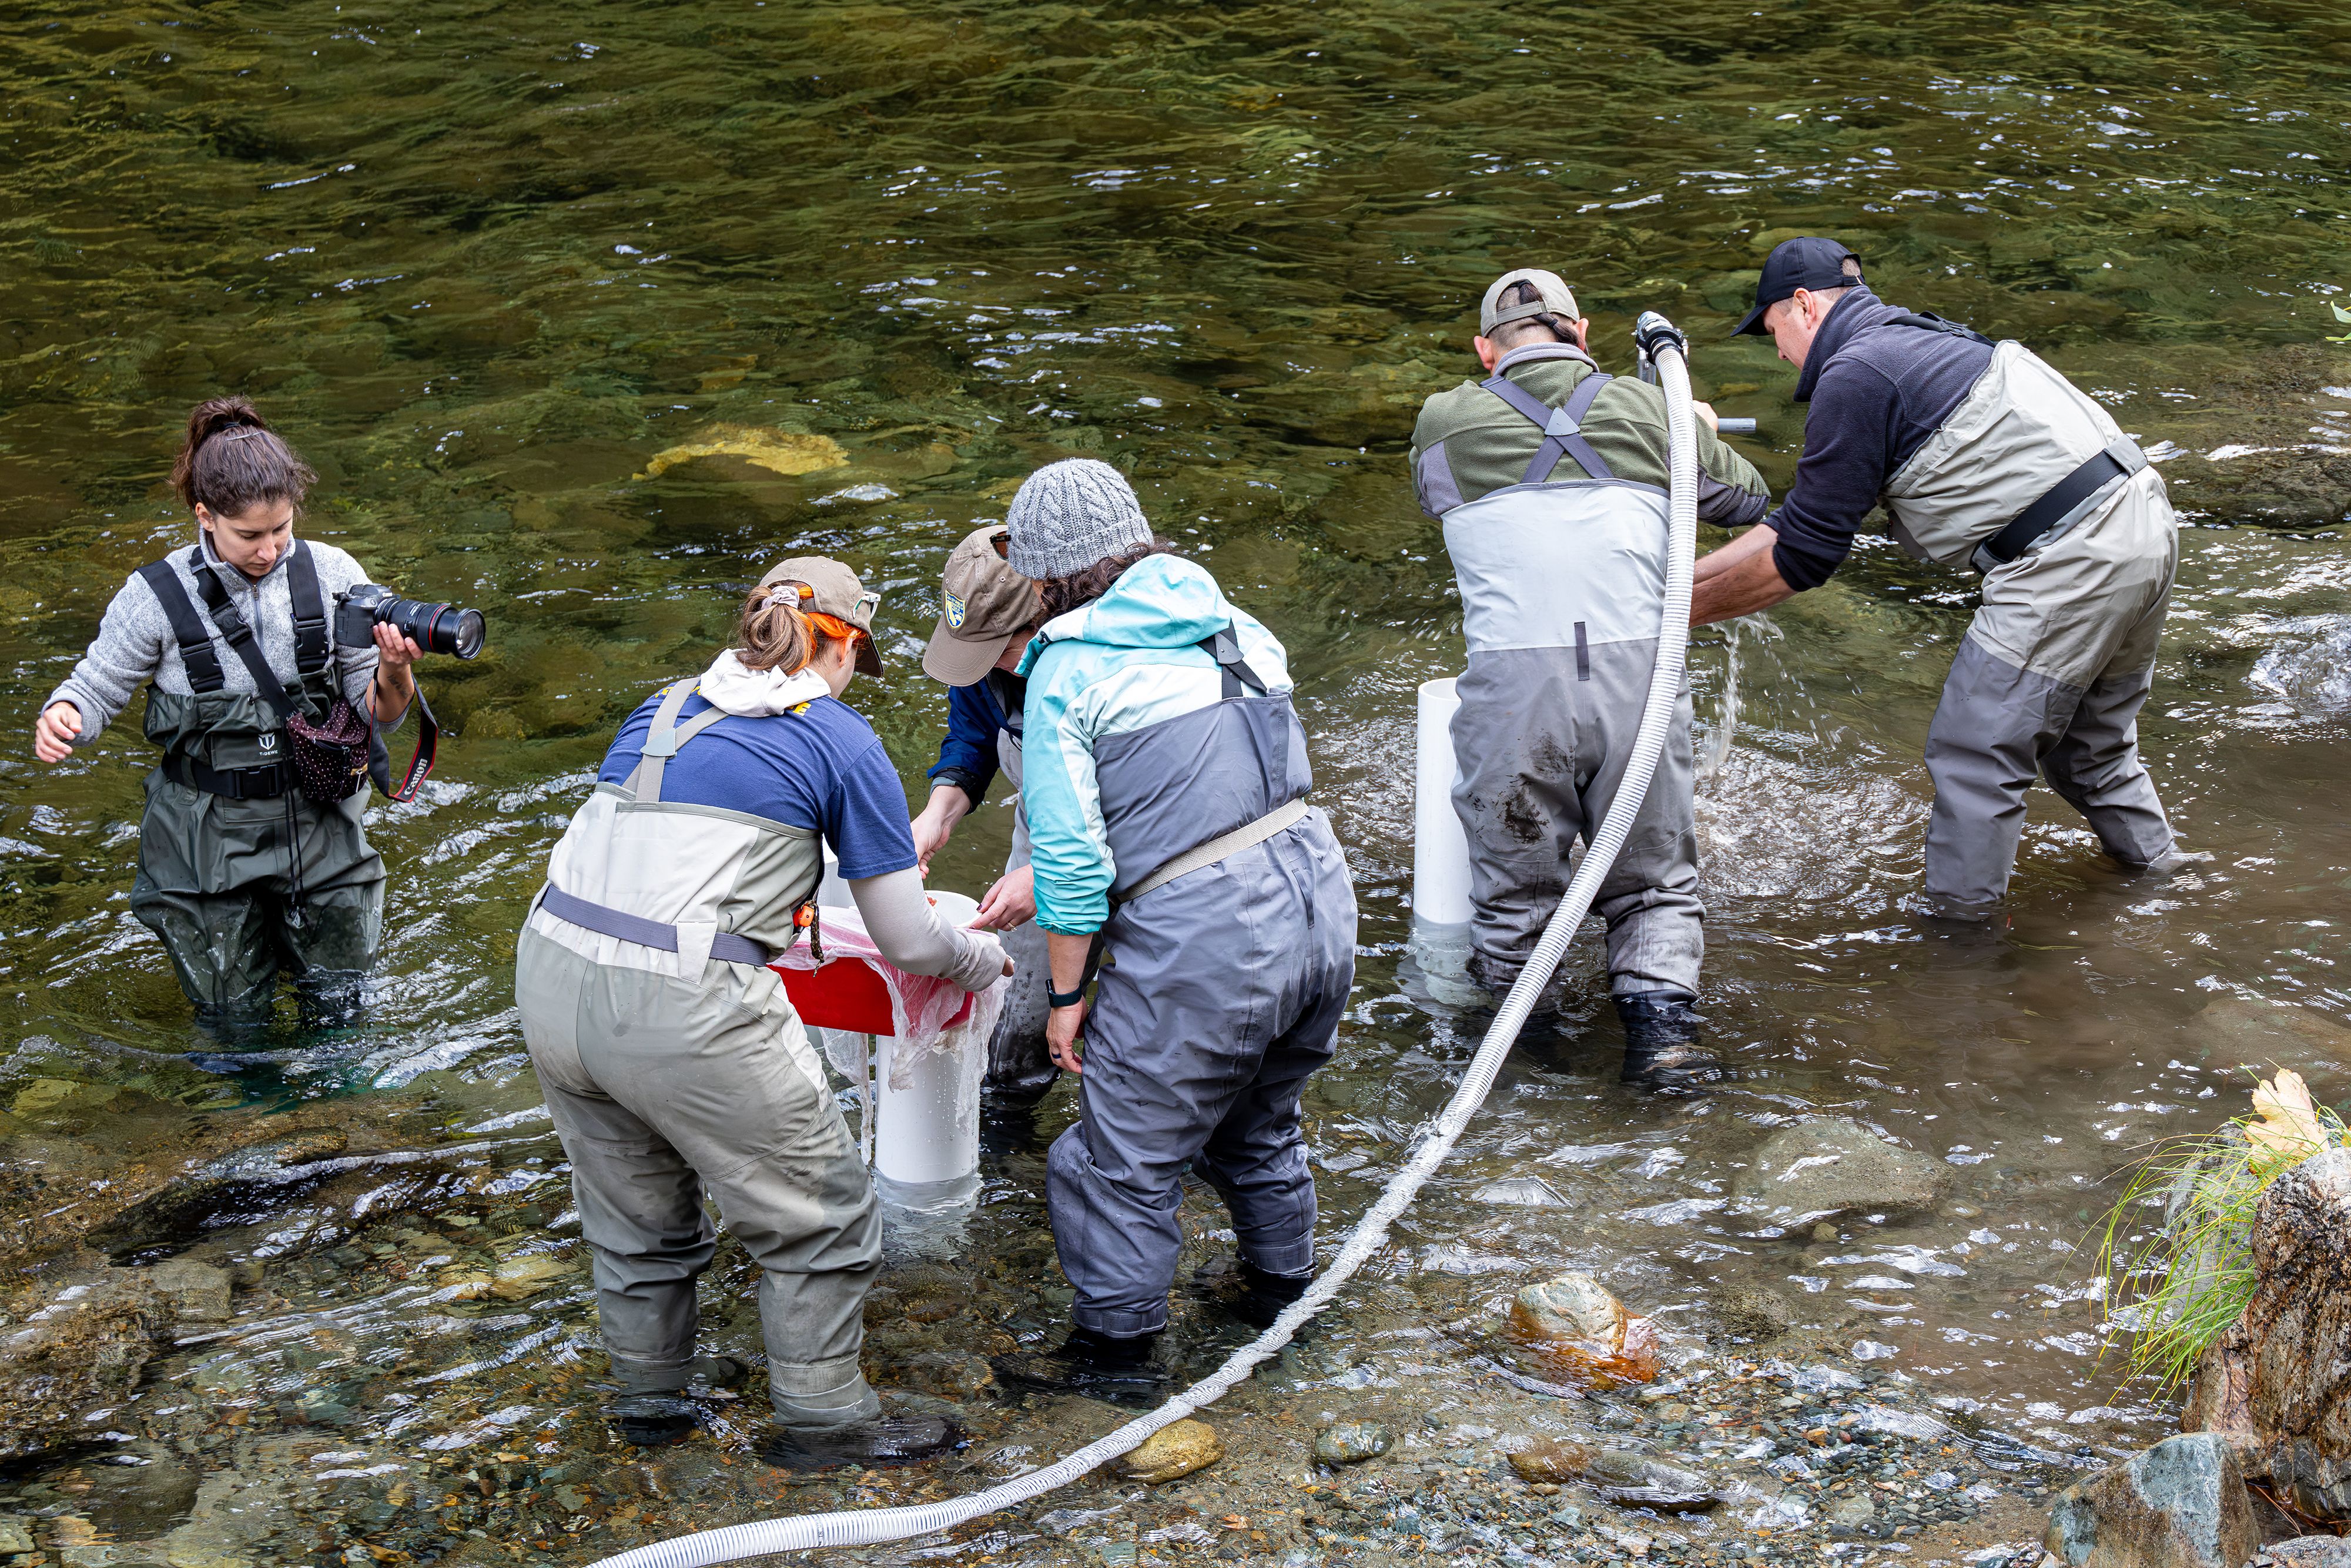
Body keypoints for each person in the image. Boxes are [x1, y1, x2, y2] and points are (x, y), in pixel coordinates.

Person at [514, 557, 1009, 1468]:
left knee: (637, 1226)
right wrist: (980, 958)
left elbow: (692, 854)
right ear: (845, 643)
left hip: (550, 975)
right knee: (822, 1218)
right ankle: (825, 1420)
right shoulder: (840, 737)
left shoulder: (659, 709)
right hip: (677, 1005)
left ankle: (650, 1410)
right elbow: (907, 939)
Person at [986, 459, 1357, 1395]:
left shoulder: (1067, 668)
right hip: (1320, 901)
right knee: (1259, 1123)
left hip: (1211, 936)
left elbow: (1071, 868)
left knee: (1115, 1158)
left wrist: (1067, 997)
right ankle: (1282, 1301)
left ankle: (1114, 1364)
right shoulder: (1240, 629)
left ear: (1045, 576)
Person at [1693, 238, 2178, 917]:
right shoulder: (1924, 343)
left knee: (1973, 754)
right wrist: (1676, 587)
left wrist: (1672, 619)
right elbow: (1795, 524)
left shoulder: (1856, 374)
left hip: (2070, 557)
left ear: (1803, 305)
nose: (1775, 353)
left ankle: (1958, 953)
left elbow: (1800, 557)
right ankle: (2169, 886)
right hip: (2142, 522)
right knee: (2089, 754)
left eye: (1771, 330)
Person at [1408, 270, 1771, 1090]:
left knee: (1514, 892)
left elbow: (1442, 502)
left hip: (1513, 694)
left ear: (1484, 350)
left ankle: (1525, 1074)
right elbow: (1747, 499)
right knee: (1652, 882)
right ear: (1582, 333)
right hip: (1635, 682)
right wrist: (1692, 426)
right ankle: (1664, 1047)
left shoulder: (1442, 421)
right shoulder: (1655, 412)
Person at [33, 397, 421, 1030]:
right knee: (233, 1021)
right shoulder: (155, 595)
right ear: (205, 515)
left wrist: (396, 668)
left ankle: (348, 1122)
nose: (269, 550)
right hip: (202, 839)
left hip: (318, 823)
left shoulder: (333, 574)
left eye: (282, 530)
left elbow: (379, 712)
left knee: (343, 1006)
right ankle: (241, 1122)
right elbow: (98, 684)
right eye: (249, 536)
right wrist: (66, 712)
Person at [909, 524, 1054, 1104]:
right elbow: (973, 734)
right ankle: (1012, 1126)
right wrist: (939, 812)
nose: (986, 663)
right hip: (1044, 825)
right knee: (1017, 1015)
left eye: (999, 649)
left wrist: (1052, 875)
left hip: (1152, 845)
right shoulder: (980, 650)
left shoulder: (1113, 669)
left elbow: (1157, 807)